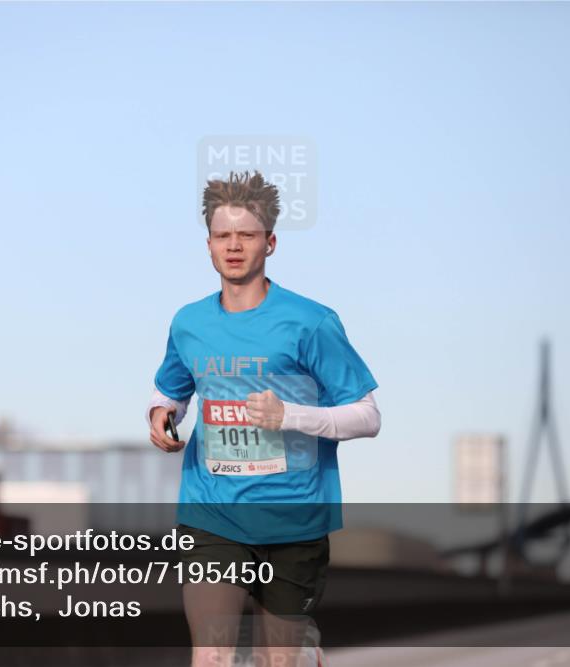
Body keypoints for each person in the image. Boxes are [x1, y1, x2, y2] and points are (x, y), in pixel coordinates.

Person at [146, 170, 381, 667]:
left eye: (247, 236)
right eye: (223, 236)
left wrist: (290, 415)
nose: (234, 246)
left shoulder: (311, 321)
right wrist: (162, 414)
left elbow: (367, 416)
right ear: (208, 244)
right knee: (210, 657)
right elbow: (172, 389)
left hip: (293, 519)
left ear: (269, 243)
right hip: (212, 513)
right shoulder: (189, 322)